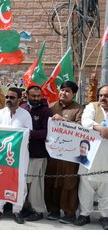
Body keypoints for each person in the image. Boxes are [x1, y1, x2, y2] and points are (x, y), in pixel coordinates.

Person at [0, 87, 33, 224]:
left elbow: (28, 134)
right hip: (2, 154)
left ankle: (17, 210)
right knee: (0, 180)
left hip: (20, 155)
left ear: (19, 99)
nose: (8, 100)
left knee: (20, 181)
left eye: (12, 97)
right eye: (7, 97)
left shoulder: (25, 115)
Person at [45, 81, 83, 224]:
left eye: (67, 91)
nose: (63, 93)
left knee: (69, 182)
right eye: (62, 90)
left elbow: (82, 128)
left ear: (73, 94)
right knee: (52, 181)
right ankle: (53, 210)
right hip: (53, 153)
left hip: (70, 155)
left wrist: (63, 122)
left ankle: (69, 213)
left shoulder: (79, 109)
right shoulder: (51, 106)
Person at [74, 84, 108, 229]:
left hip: (106, 156)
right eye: (101, 95)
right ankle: (84, 214)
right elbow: (86, 121)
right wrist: (100, 128)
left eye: (106, 96)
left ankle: (105, 216)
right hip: (90, 153)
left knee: (106, 187)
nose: (103, 98)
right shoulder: (92, 107)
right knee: (86, 185)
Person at [20, 85, 53, 221]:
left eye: (38, 96)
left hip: (38, 153)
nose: (36, 98)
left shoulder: (46, 111)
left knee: (35, 184)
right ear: (27, 95)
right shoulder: (22, 108)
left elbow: (47, 132)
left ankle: (38, 210)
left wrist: (28, 134)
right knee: (25, 183)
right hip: (23, 153)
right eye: (33, 96)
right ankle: (27, 208)